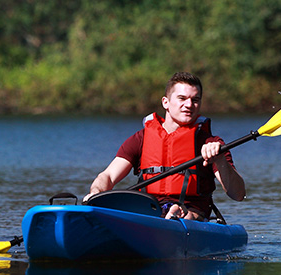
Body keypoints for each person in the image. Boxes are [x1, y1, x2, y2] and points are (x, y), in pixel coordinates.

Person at [84, 72, 245, 220]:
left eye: (195, 100)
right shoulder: (141, 139)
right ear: (165, 103)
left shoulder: (211, 143)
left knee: (188, 216)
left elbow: (238, 194)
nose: (189, 104)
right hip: (148, 210)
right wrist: (95, 193)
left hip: (192, 214)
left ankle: (176, 215)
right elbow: (108, 177)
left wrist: (220, 160)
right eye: (182, 98)